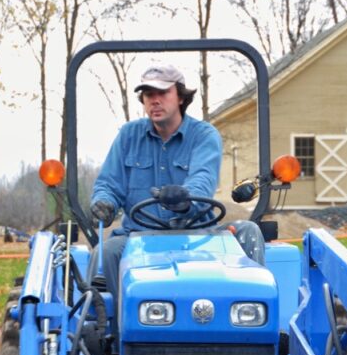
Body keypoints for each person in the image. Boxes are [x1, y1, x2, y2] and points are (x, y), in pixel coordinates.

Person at [89, 63, 265, 313]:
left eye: (163, 93)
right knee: (106, 251)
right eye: (149, 95)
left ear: (181, 97)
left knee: (249, 231)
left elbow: (202, 180)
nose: (155, 101)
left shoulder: (204, 135)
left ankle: (249, 315)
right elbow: (109, 183)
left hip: (198, 238)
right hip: (139, 237)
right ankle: (118, 336)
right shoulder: (129, 135)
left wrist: (185, 199)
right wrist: (103, 202)